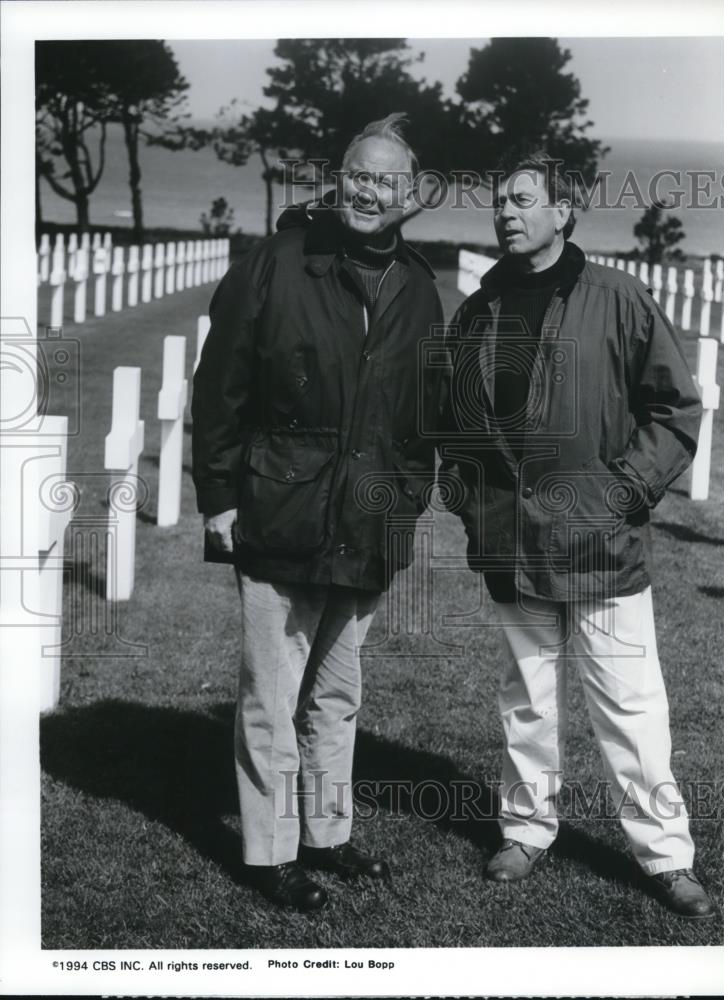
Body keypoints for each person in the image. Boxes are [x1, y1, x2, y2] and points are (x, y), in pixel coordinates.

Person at [440, 151, 714, 918]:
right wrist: (471, 506)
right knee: (525, 697)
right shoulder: (478, 308)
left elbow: (673, 409)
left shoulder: (618, 298)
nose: (505, 211)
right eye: (498, 199)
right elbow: (455, 424)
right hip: (511, 542)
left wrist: (621, 491)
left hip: (599, 543)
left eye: (522, 199)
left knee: (628, 702)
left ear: (563, 212)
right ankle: (525, 829)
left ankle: (665, 857)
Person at [191, 114, 444, 911]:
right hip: (282, 507)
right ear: (339, 180)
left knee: (336, 694)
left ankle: (327, 836)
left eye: (386, 181)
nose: (369, 191)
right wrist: (221, 498)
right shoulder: (277, 263)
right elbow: (219, 386)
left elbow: (421, 413)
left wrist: (405, 501)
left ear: (413, 196)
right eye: (358, 175)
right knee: (272, 694)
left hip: (368, 521)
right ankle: (268, 855)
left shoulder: (416, 285)